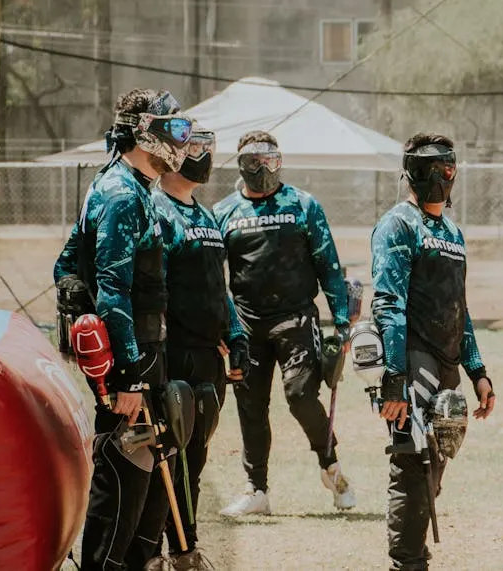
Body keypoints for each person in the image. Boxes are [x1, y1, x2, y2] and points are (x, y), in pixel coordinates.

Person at [53, 89, 193, 571]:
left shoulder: (135, 187)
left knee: (153, 472)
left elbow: (68, 264)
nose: (181, 137)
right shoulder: (118, 192)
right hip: (132, 362)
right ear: (144, 132)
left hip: (147, 351)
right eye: (172, 127)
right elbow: (113, 287)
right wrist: (122, 376)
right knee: (124, 472)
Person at [371, 132, 497, 571]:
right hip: (412, 358)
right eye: (431, 171)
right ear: (411, 174)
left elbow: (458, 306)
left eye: (447, 170)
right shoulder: (398, 224)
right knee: (413, 459)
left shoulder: (452, 232)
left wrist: (477, 370)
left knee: (438, 457)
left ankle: (414, 549)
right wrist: (394, 377)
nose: (441, 179)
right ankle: (406, 562)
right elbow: (388, 303)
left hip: (446, 363)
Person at [213, 130, 356, 515]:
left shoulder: (303, 205)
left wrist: (342, 323)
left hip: (295, 318)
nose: (263, 168)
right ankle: (256, 489)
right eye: (254, 161)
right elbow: (211, 276)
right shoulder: (223, 212)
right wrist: (221, 326)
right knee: (250, 405)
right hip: (246, 324)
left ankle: (331, 466)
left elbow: (328, 264)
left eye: (270, 159)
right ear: (242, 164)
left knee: (300, 396)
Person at [146, 128, 252, 570]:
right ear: (170, 155)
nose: (203, 157)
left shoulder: (206, 216)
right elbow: (153, 288)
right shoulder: (157, 210)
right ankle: (177, 551)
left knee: (196, 456)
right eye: (193, 149)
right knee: (169, 458)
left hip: (209, 357)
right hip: (174, 357)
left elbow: (217, 287)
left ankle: (181, 547)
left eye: (208, 149)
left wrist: (237, 333)